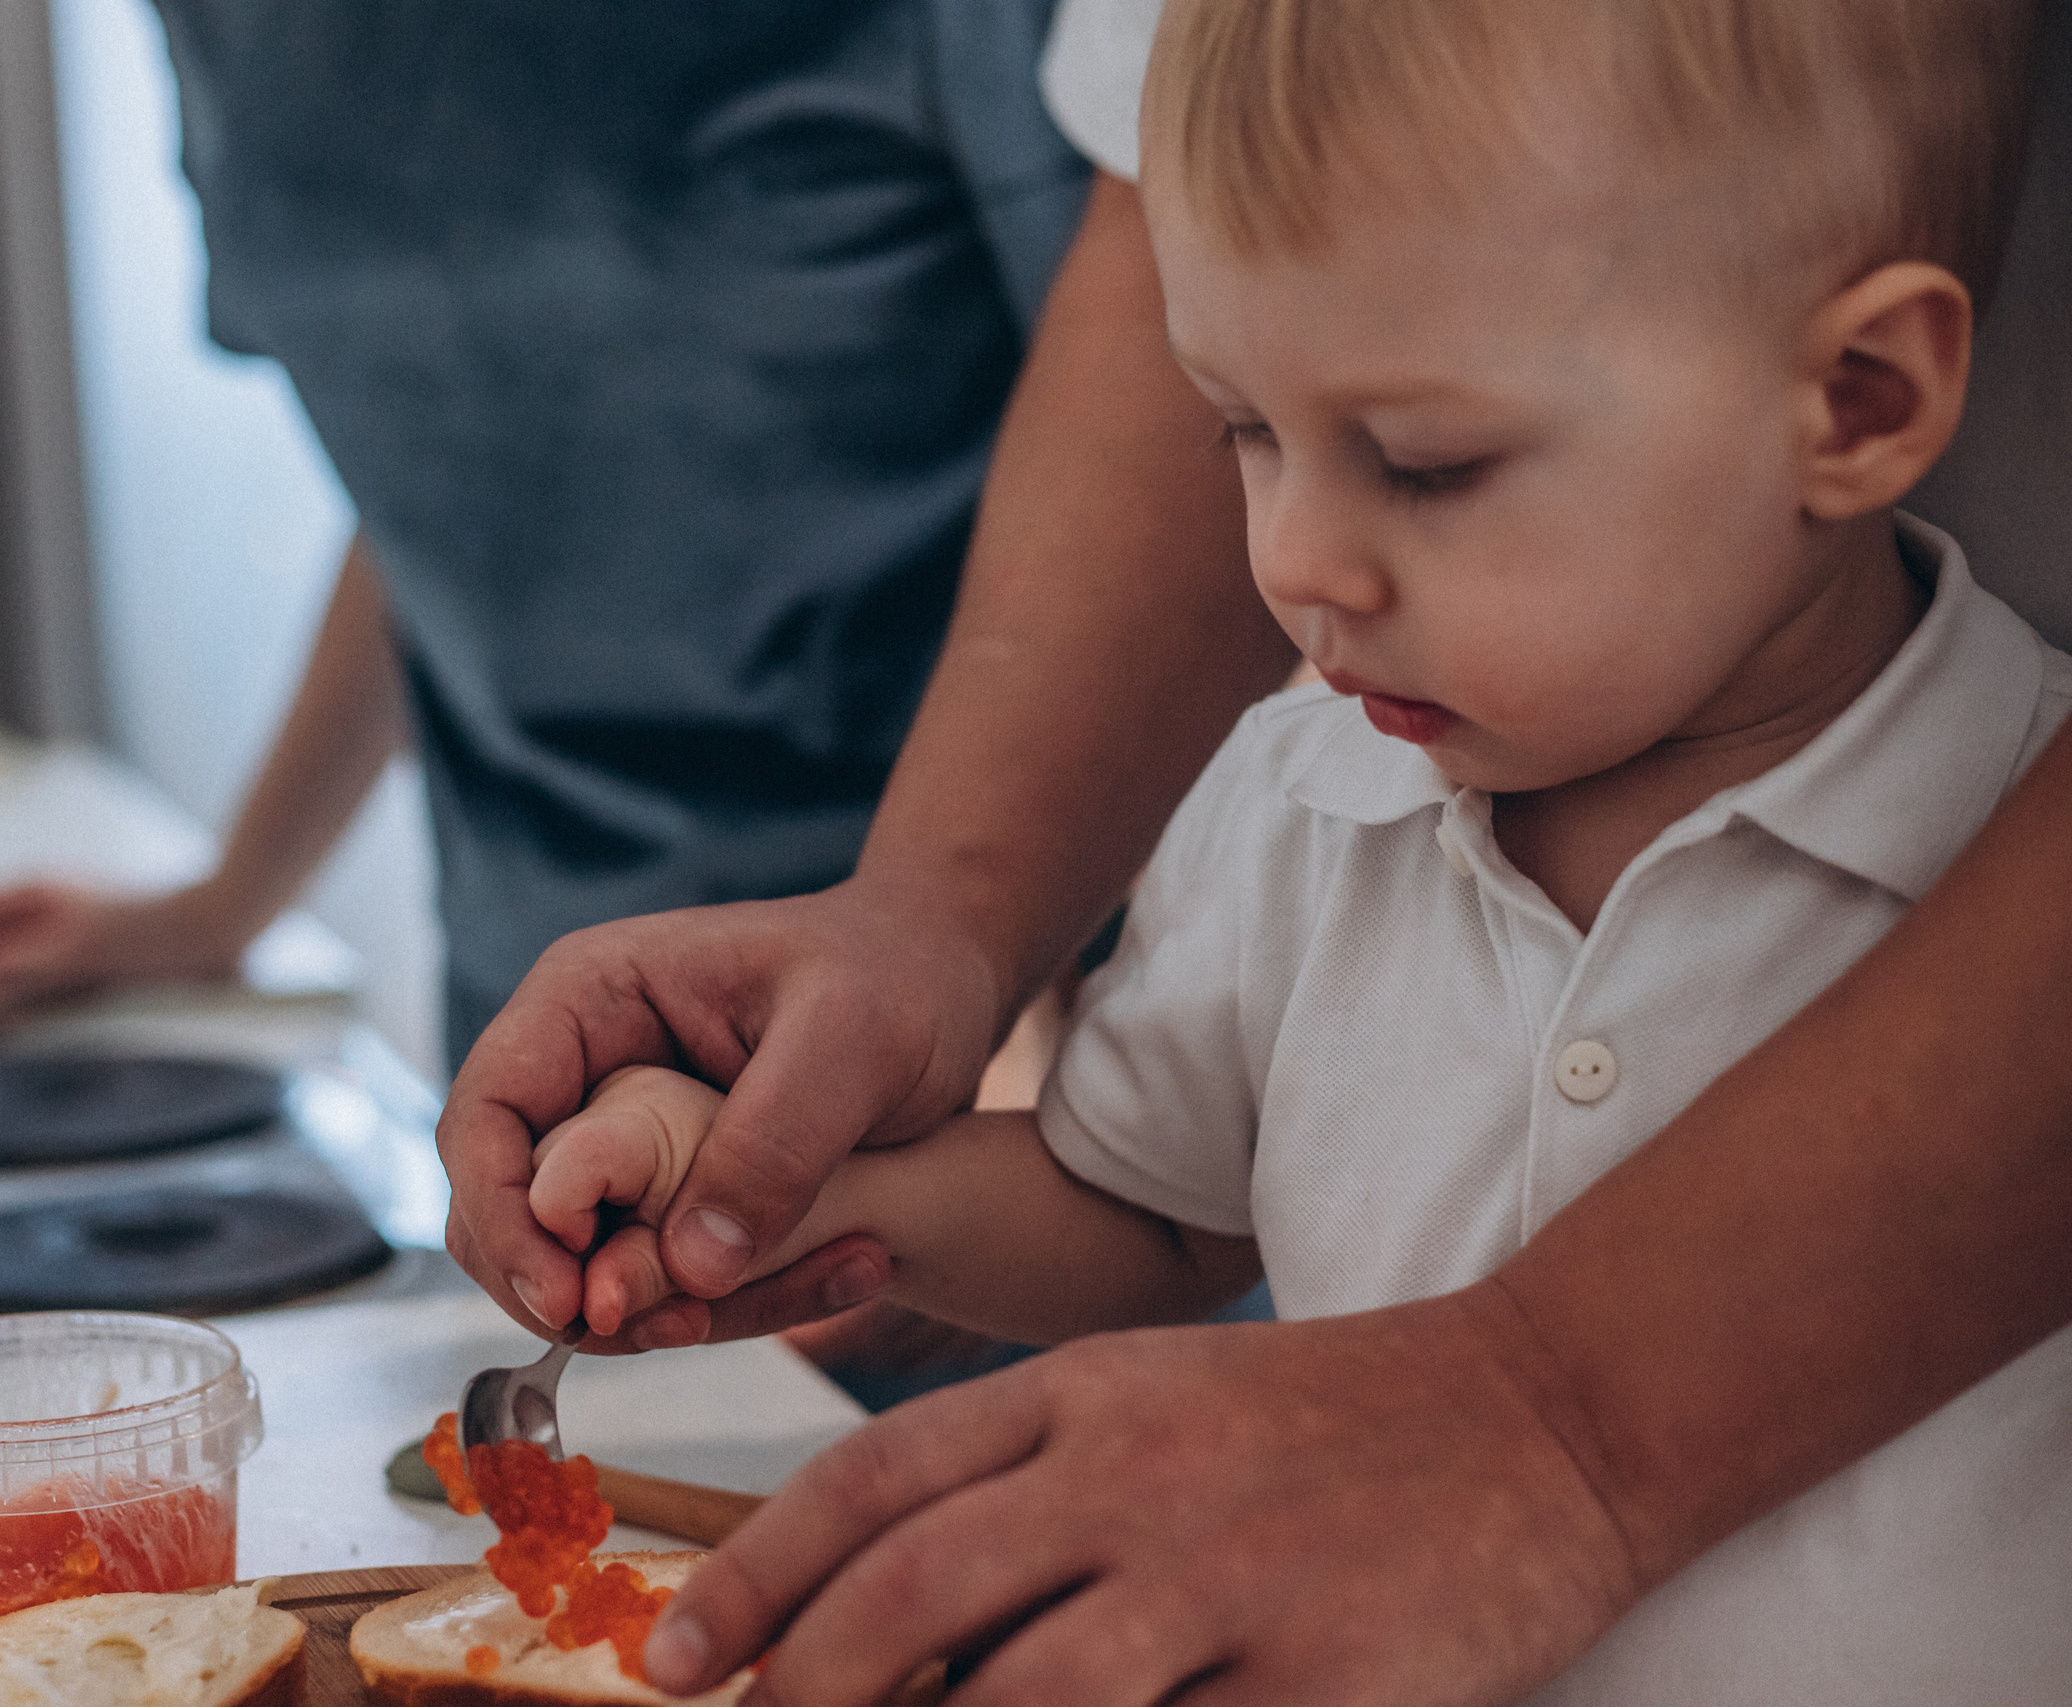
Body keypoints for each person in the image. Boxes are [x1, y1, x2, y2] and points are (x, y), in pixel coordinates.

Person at [437, 0, 2072, 1700]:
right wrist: (777, 1197)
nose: (1296, 562)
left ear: (1858, 399)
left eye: (1427, 464)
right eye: (1245, 426)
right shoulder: (1306, 795)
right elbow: (1138, 1205)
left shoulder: (1997, 823)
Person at [0, 2, 1106, 1077]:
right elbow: (464, 471)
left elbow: (1199, 469)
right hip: (535, 1023)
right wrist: (230, 899)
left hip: (998, 1049)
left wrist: (1003, 1005)